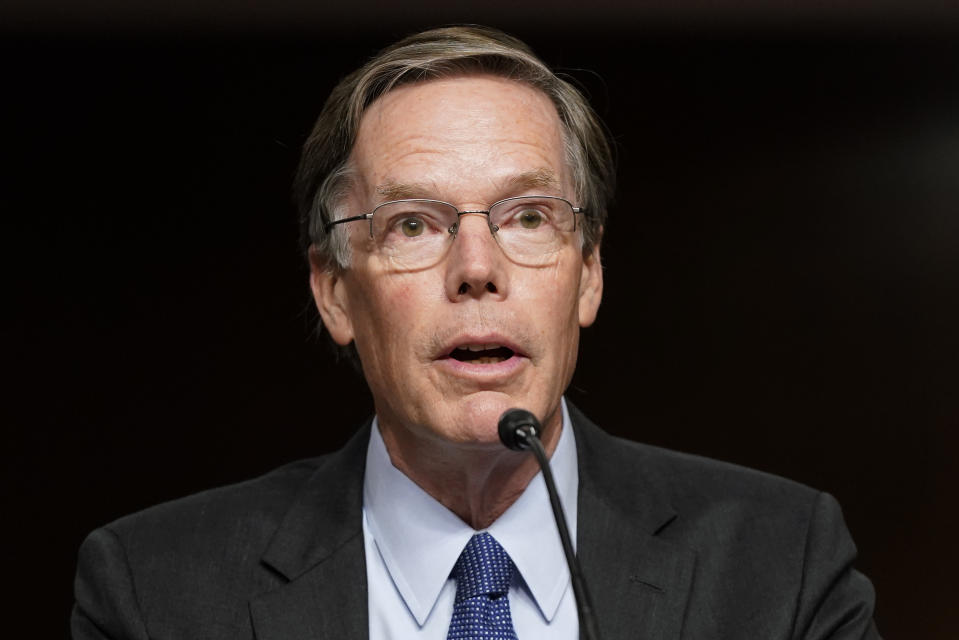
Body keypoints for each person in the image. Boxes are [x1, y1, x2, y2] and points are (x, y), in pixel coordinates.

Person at [72, 25, 880, 639]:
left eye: (527, 217)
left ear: (588, 272)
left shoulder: (781, 564)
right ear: (334, 293)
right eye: (414, 225)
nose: (476, 267)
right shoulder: (155, 587)